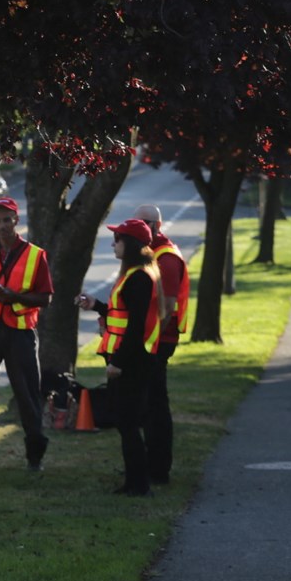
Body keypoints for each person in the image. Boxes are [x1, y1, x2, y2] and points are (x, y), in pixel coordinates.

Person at [0, 196, 53, 471]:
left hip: (19, 330)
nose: (2, 225)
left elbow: (45, 298)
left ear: (17, 220)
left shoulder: (35, 254)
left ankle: (34, 457)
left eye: (6, 220)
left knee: (27, 394)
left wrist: (12, 296)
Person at [77, 219, 164, 497]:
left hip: (131, 362)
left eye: (118, 239)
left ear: (131, 244)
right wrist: (97, 306)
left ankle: (138, 485)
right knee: (126, 422)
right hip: (130, 359)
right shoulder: (135, 274)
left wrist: (118, 363)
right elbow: (124, 315)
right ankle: (133, 481)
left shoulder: (138, 276)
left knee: (127, 422)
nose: (113, 244)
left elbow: (137, 327)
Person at [133, 204, 189, 485]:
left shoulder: (165, 258)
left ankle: (158, 468)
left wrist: (147, 345)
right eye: (137, 222)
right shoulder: (153, 253)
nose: (140, 227)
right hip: (153, 341)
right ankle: (150, 464)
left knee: (155, 406)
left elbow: (166, 310)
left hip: (158, 342)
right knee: (147, 405)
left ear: (157, 225)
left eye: (145, 223)